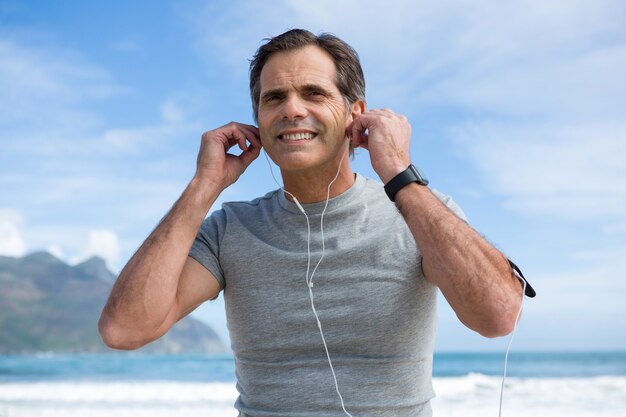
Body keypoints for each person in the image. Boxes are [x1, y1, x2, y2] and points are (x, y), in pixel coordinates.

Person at [99, 29, 534, 417]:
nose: (291, 109)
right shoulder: (230, 228)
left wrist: (398, 171)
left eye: (313, 93)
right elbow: (125, 329)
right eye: (274, 98)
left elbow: (497, 317)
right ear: (259, 120)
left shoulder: (422, 213)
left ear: (355, 113)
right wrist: (204, 185)